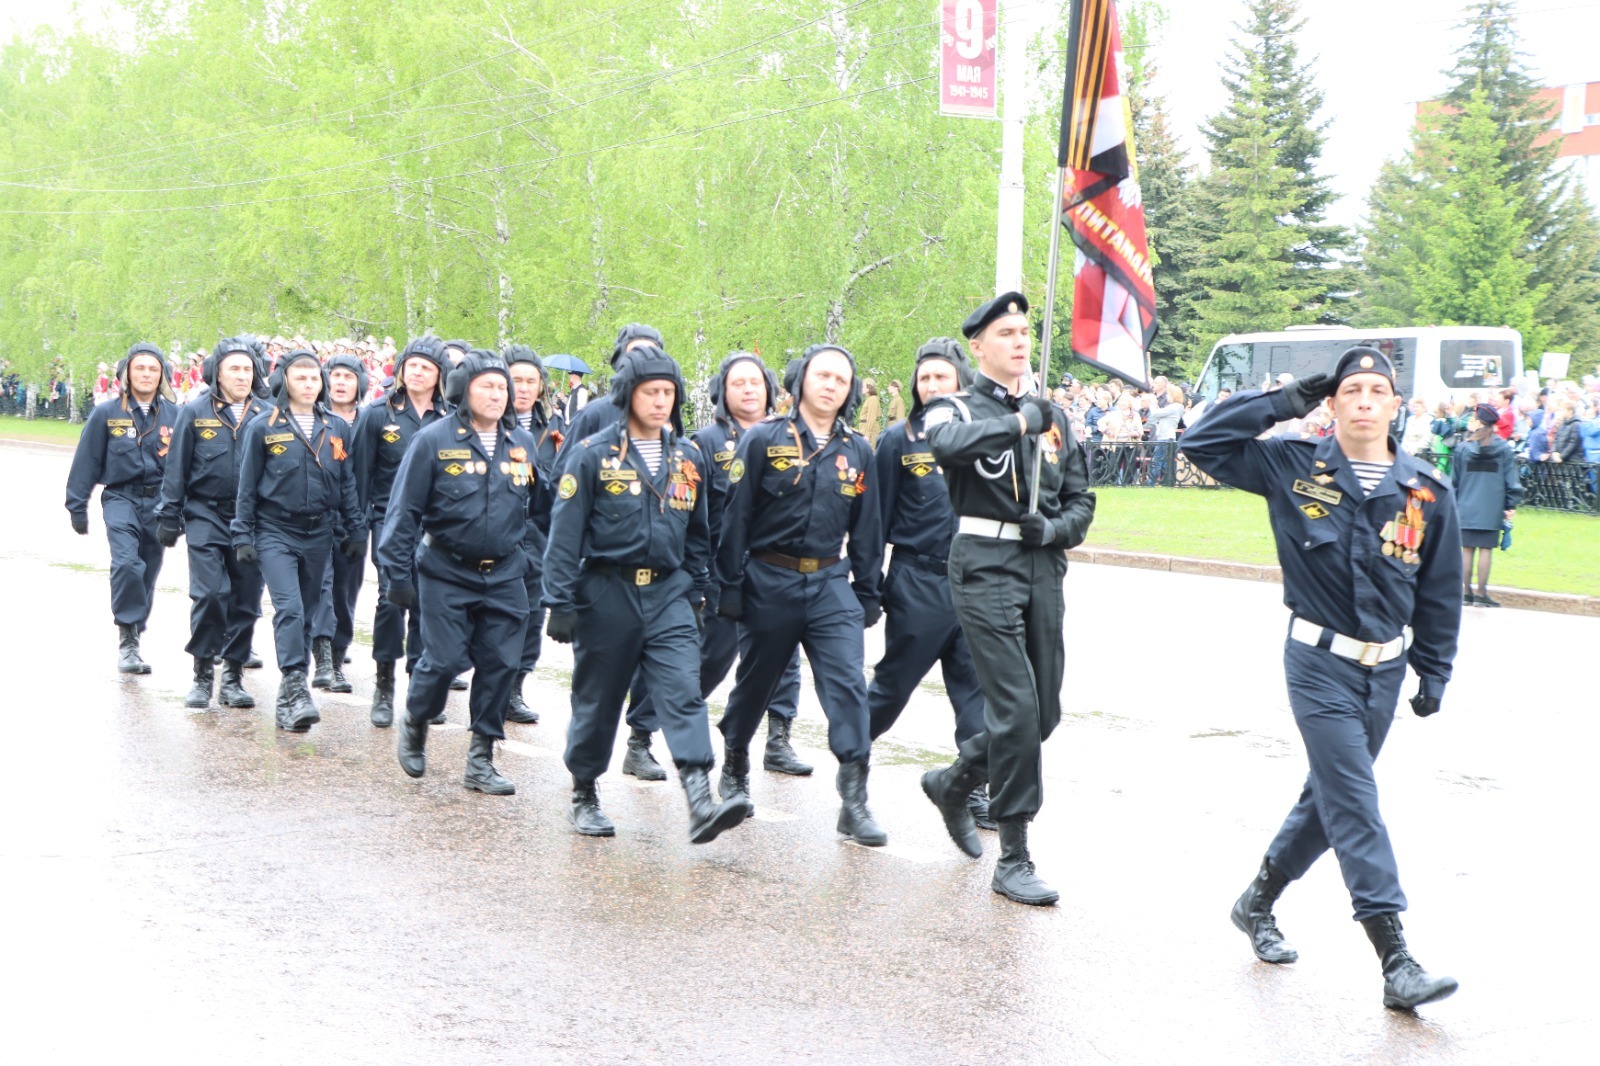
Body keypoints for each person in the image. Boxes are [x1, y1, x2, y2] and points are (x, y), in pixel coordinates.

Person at [1180, 345, 1461, 1011]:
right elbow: (1201, 441)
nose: (1364, 400)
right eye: (1351, 390)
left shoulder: (1425, 492)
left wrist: (1434, 668)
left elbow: (1441, 590)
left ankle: (1257, 902)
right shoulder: (1291, 466)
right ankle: (1395, 957)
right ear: (1332, 403)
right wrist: (1286, 400)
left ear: (1397, 405)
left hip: (1384, 671)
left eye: (1377, 391)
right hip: (1316, 663)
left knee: (1328, 799)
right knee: (1355, 798)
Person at [916, 293, 1096, 906]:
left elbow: (1082, 499)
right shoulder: (953, 404)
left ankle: (957, 778)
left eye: (1025, 331)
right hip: (983, 562)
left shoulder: (1054, 417)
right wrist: (1020, 421)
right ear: (979, 347)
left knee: (1042, 713)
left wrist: (1058, 529)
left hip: (1042, 564)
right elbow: (945, 446)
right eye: (1006, 333)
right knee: (1015, 709)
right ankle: (1014, 855)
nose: (1020, 341)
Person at [542, 347, 747, 841]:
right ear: (628, 395)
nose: (660, 401)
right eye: (650, 392)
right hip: (607, 592)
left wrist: (696, 591)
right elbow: (564, 533)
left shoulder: (688, 456)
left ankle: (699, 797)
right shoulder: (591, 454)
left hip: (668, 595)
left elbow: (698, 534)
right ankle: (584, 790)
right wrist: (560, 601)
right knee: (599, 697)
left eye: (668, 393)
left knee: (681, 691)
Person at [715, 343, 886, 845]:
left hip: (831, 582)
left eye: (841, 379)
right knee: (756, 682)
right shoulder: (764, 440)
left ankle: (854, 800)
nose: (832, 385)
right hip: (770, 579)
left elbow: (868, 529)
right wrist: (728, 586)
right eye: (823, 375)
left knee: (849, 686)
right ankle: (733, 765)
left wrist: (869, 591)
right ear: (800, 382)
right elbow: (737, 516)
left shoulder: (857, 450)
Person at [380, 351, 544, 795]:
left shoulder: (521, 444)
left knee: (501, 663)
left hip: (507, 573)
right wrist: (396, 575)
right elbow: (403, 512)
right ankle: (416, 720)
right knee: (445, 660)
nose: (497, 394)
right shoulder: (433, 440)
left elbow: (539, 511)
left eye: (501, 387)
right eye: (486, 386)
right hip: (445, 572)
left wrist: (543, 561)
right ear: (462, 391)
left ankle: (481, 759)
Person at [866, 338, 991, 826]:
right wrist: (868, 583)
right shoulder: (899, 439)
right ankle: (852, 764)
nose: (933, 385)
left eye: (942, 376)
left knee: (978, 694)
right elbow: (875, 517)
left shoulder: (984, 432)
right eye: (925, 378)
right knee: (892, 688)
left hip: (976, 581)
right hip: (917, 581)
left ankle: (972, 787)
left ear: (961, 378)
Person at [556, 323, 673, 777]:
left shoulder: (668, 418)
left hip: (657, 574)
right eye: (632, 355)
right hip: (602, 570)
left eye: (651, 355)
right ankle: (586, 766)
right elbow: (564, 487)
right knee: (600, 676)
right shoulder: (594, 416)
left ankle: (641, 740)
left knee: (658, 667)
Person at [689, 353, 811, 776]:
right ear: (723, 391)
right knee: (712, 658)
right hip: (724, 571)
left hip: (776, 569)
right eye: (737, 383)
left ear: (770, 389)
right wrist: (701, 576)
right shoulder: (705, 442)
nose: (747, 390)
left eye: (755, 382)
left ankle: (778, 740)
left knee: (784, 659)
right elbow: (696, 514)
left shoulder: (793, 437)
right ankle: (653, 729)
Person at [233, 349, 365, 732]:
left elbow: (348, 483)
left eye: (314, 378)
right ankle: (296, 684)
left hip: (319, 532)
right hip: (275, 530)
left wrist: (355, 528)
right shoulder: (263, 426)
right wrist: (242, 533)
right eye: (301, 378)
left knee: (308, 612)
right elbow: (247, 486)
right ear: (285, 382)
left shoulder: (336, 427)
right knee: (289, 608)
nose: (309, 385)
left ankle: (288, 700)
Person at [155, 337, 271, 708]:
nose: (241, 375)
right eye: (233, 368)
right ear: (217, 373)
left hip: (252, 521)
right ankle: (203, 673)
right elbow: (176, 466)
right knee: (209, 594)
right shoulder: (194, 411)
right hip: (205, 513)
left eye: (247, 369)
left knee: (246, 599)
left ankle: (233, 677)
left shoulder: (268, 414)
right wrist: (169, 514)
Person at [352, 335, 451, 727]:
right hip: (389, 521)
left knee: (427, 603)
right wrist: (356, 526)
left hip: (435, 526)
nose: (417, 371)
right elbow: (360, 476)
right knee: (391, 600)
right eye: (411, 364)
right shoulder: (378, 414)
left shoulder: (450, 417)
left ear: (440, 375)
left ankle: (419, 689)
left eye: (426, 367)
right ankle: (383, 685)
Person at [65, 343, 180, 673]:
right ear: (126, 374)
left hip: (161, 501)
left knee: (148, 569)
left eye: (153, 369)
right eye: (139, 368)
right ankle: (128, 639)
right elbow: (86, 459)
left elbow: (189, 466)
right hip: (121, 498)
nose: (146, 374)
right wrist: (77, 505)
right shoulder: (107, 413)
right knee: (127, 564)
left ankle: (136, 630)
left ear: (162, 376)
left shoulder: (177, 415)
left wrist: (183, 509)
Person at [504, 344, 562, 725]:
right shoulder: (490, 421)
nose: (523, 388)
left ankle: (514, 688)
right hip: (496, 533)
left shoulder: (555, 428)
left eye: (531, 380)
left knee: (532, 615)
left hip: (539, 535)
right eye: (516, 380)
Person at [308, 352, 369, 694]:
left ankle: (338, 651)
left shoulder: (372, 419)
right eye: (334, 376)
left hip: (356, 519)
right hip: (319, 516)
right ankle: (323, 659)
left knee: (345, 591)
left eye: (348, 376)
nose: (340, 382)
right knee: (320, 588)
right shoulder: (312, 418)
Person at [1452, 403, 1521, 608]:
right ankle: (1481, 595)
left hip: (1465, 504)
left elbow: (1454, 480)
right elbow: (1511, 479)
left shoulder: (1463, 448)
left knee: (1467, 549)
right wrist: (1510, 504)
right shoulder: (1503, 449)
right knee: (1485, 549)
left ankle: (1466, 593)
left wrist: (1454, 504)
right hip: (1491, 506)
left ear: (1478, 421)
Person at [856, 378, 882, 445]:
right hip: (864, 428)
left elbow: (871, 417)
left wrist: (867, 434)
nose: (861, 388)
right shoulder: (869, 399)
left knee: (870, 452)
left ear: (868, 388)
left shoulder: (873, 400)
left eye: (863, 386)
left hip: (870, 431)